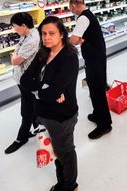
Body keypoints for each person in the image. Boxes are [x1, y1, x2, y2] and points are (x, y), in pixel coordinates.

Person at [24, 16, 79, 191]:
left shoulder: (69, 58)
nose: (46, 37)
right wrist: (44, 89)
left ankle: (70, 185)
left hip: (62, 115)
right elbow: (25, 80)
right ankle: (61, 181)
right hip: (43, 113)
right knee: (56, 150)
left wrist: (47, 91)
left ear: (62, 34)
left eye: (51, 33)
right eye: (43, 33)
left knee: (65, 151)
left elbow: (53, 92)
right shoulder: (43, 53)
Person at [69, 0, 112, 139]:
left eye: (70, 8)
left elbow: (74, 40)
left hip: (95, 59)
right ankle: (97, 114)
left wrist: (76, 40)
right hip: (95, 57)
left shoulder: (82, 18)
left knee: (98, 90)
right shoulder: (88, 14)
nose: (71, 11)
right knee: (94, 88)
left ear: (74, 5)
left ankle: (105, 124)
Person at [5, 12, 41, 154]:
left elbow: (14, 60)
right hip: (23, 78)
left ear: (24, 26)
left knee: (26, 109)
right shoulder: (26, 35)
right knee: (31, 105)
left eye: (15, 27)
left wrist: (14, 54)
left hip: (28, 79)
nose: (14, 29)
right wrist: (16, 53)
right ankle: (36, 127)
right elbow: (16, 52)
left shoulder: (32, 39)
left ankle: (22, 137)